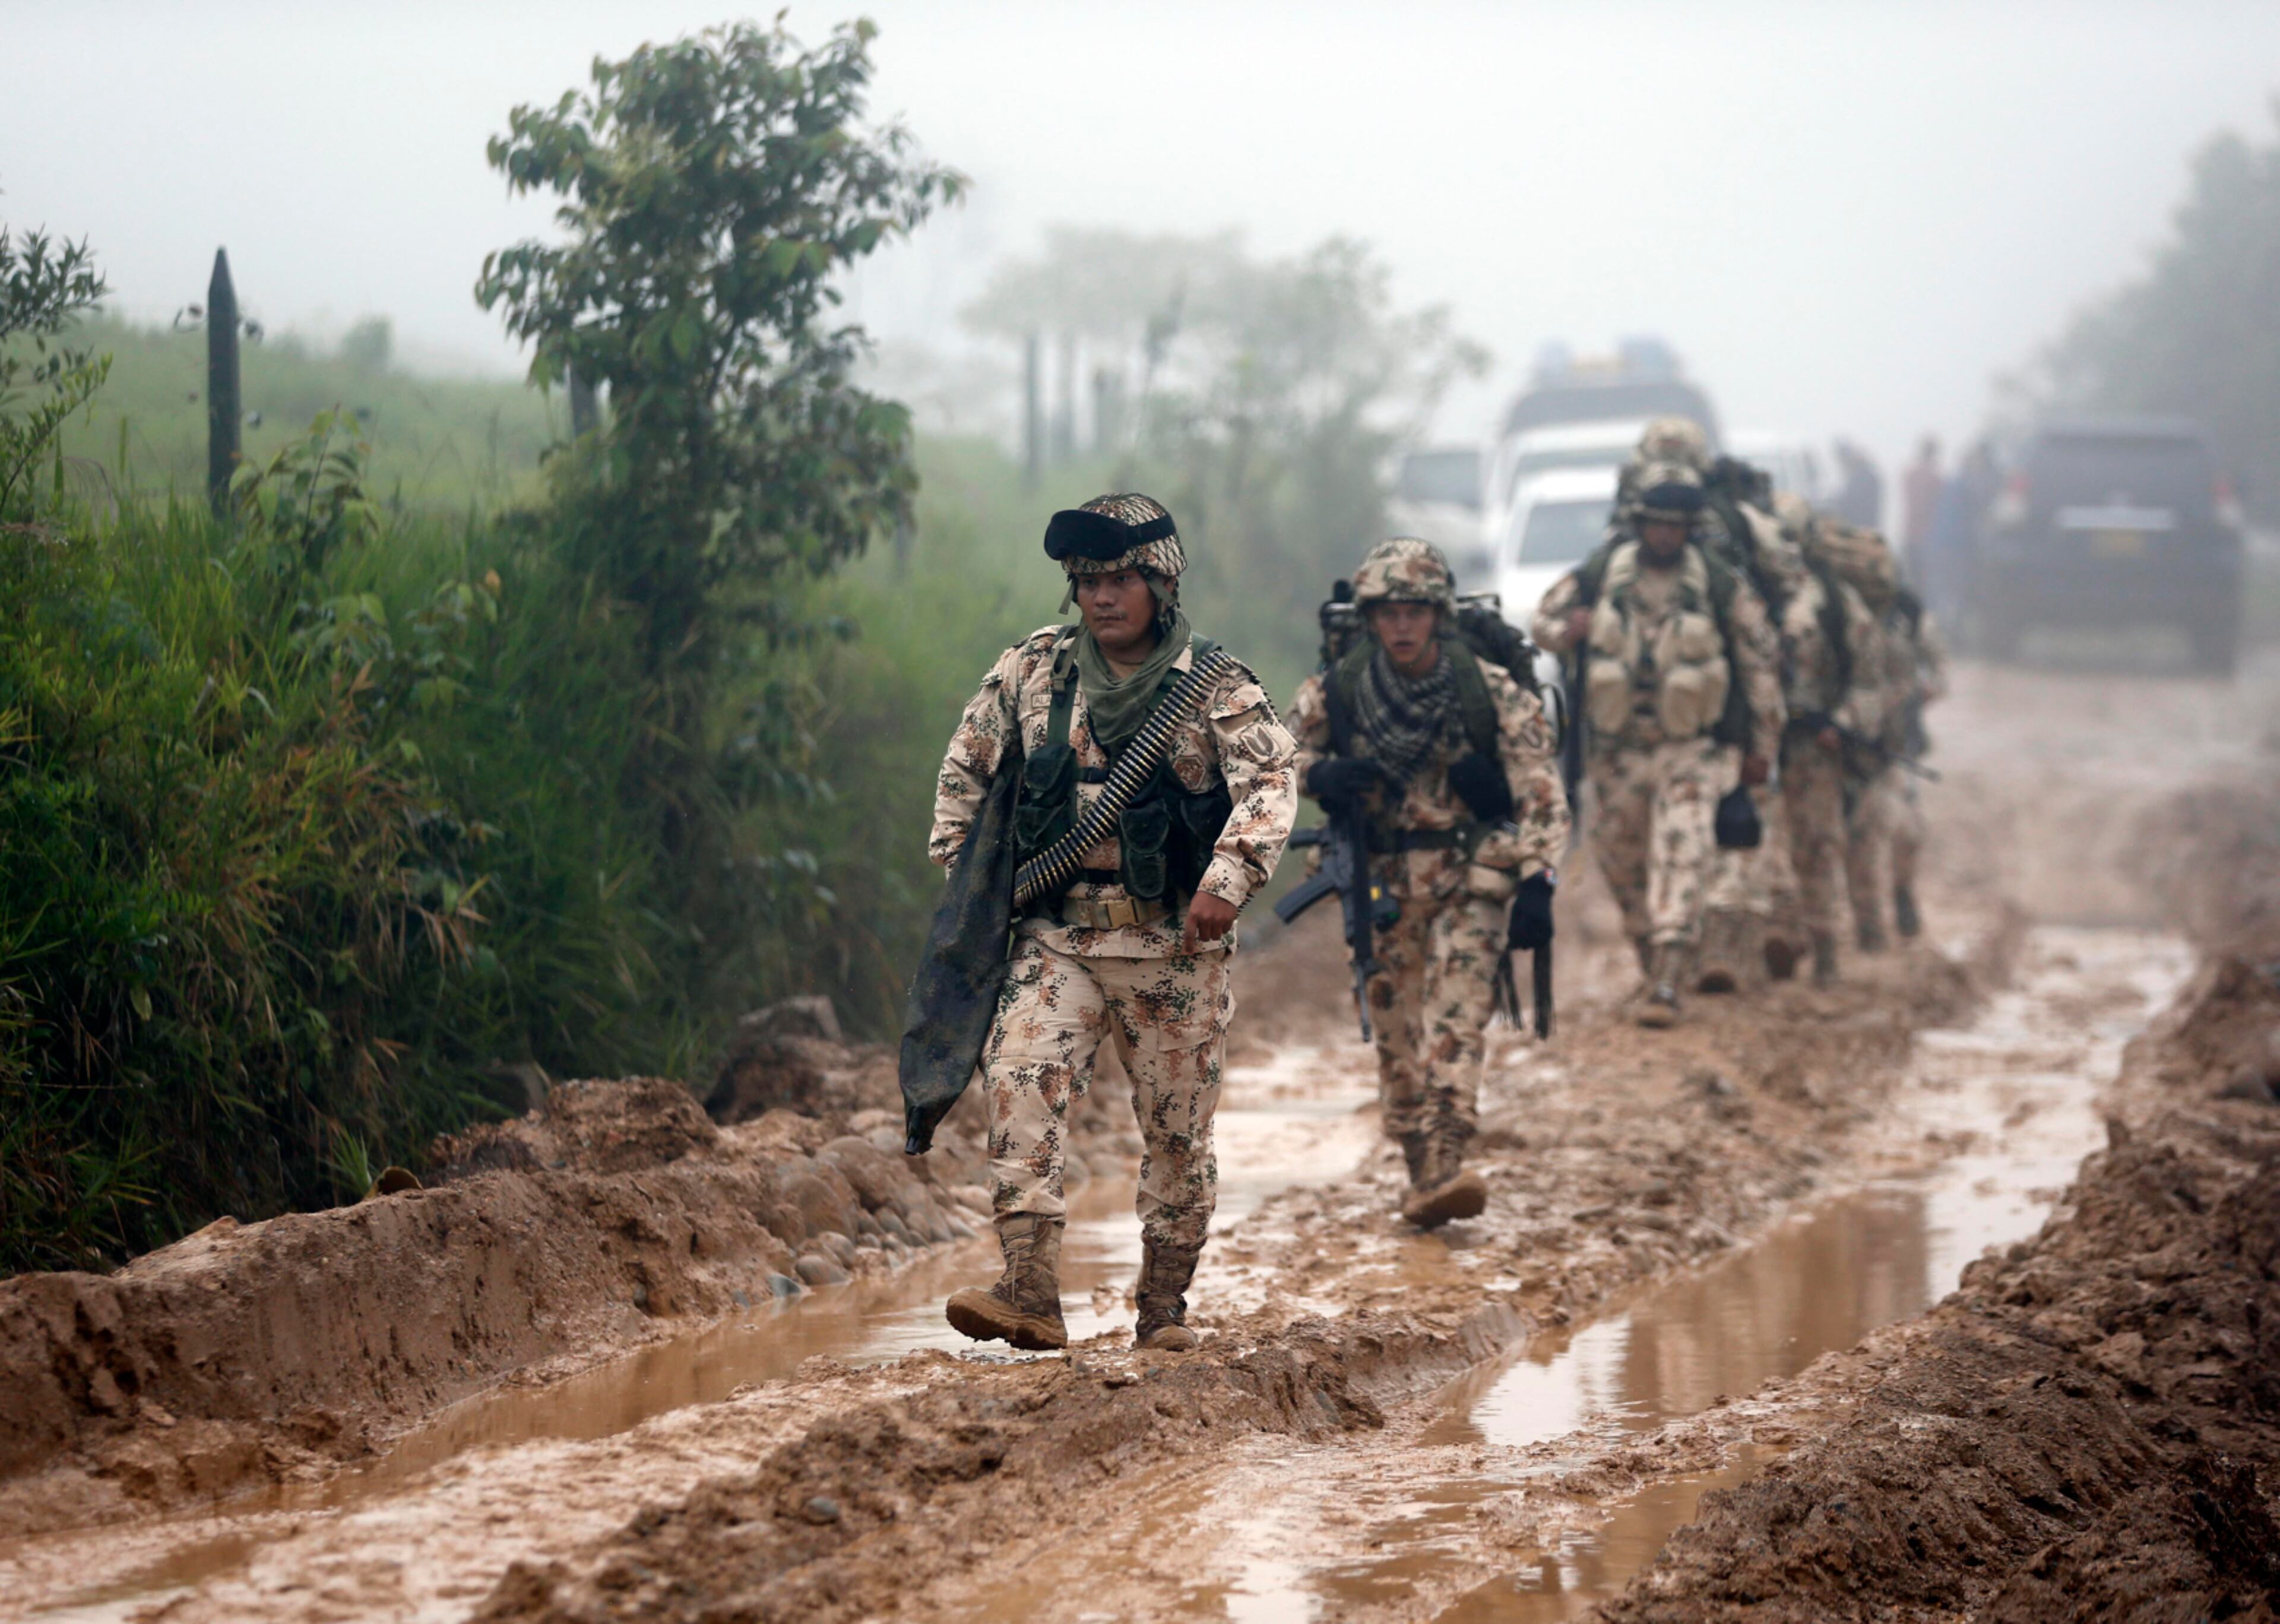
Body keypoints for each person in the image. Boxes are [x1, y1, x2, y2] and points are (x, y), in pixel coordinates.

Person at [927, 493, 1298, 1353]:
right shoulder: (1033, 670)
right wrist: (969, 885)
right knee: (1020, 1082)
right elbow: (966, 770)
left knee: (1177, 1133)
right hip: (1057, 936)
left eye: (1123, 576)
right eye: (1087, 579)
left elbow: (1272, 785)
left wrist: (1228, 879)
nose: (1103, 596)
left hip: (1175, 947)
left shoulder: (1218, 684)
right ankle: (1028, 1290)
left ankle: (1163, 1307)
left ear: (1161, 582)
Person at [1287, 539, 1568, 1227]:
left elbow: (1541, 789)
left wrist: (1539, 879)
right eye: (1389, 613)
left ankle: (1446, 1153)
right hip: (1381, 880)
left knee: (1458, 1015)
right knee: (1396, 1031)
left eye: (1416, 611)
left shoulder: (1487, 690)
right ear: (1372, 619)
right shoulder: (1340, 690)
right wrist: (1319, 775)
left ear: (1438, 615)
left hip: (1470, 874)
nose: (1403, 626)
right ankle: (1419, 1163)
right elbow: (1273, 757)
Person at [1532, 465, 1785, 1027]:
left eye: (1676, 527)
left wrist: (1761, 745)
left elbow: (1759, 664)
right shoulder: (1600, 576)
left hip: (1692, 749)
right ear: (1640, 525)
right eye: (1656, 525)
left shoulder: (1719, 584)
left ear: (1689, 529)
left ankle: (1669, 974)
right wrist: (1567, 630)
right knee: (1622, 862)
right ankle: (1654, 962)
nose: (1665, 536)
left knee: (1684, 850)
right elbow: (1540, 623)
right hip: (1617, 752)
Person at [1770, 494, 1885, 986]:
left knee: (1816, 844)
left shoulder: (1837, 605)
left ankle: (1824, 949)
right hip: (1754, 743)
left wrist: (1842, 723)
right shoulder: (1745, 596)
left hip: (1813, 748)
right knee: (1751, 847)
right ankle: (1765, 942)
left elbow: (1869, 683)